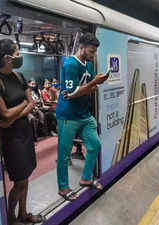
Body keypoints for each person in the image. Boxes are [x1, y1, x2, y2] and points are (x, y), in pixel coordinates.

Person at [0, 39, 43, 224]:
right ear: (7, 58)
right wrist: (23, 106)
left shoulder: (19, 77)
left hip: (24, 133)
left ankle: (23, 213)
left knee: (26, 176)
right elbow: (4, 113)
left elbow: (32, 103)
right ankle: (11, 217)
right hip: (11, 140)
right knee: (19, 181)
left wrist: (13, 116)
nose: (19, 56)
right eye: (17, 53)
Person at [55, 33, 109, 201]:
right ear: (82, 47)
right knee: (64, 154)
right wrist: (92, 84)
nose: (93, 55)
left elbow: (88, 89)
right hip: (68, 116)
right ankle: (63, 188)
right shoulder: (70, 65)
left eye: (94, 52)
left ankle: (86, 178)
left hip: (84, 115)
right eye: (91, 51)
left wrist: (94, 83)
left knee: (94, 145)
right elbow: (71, 94)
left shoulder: (89, 65)